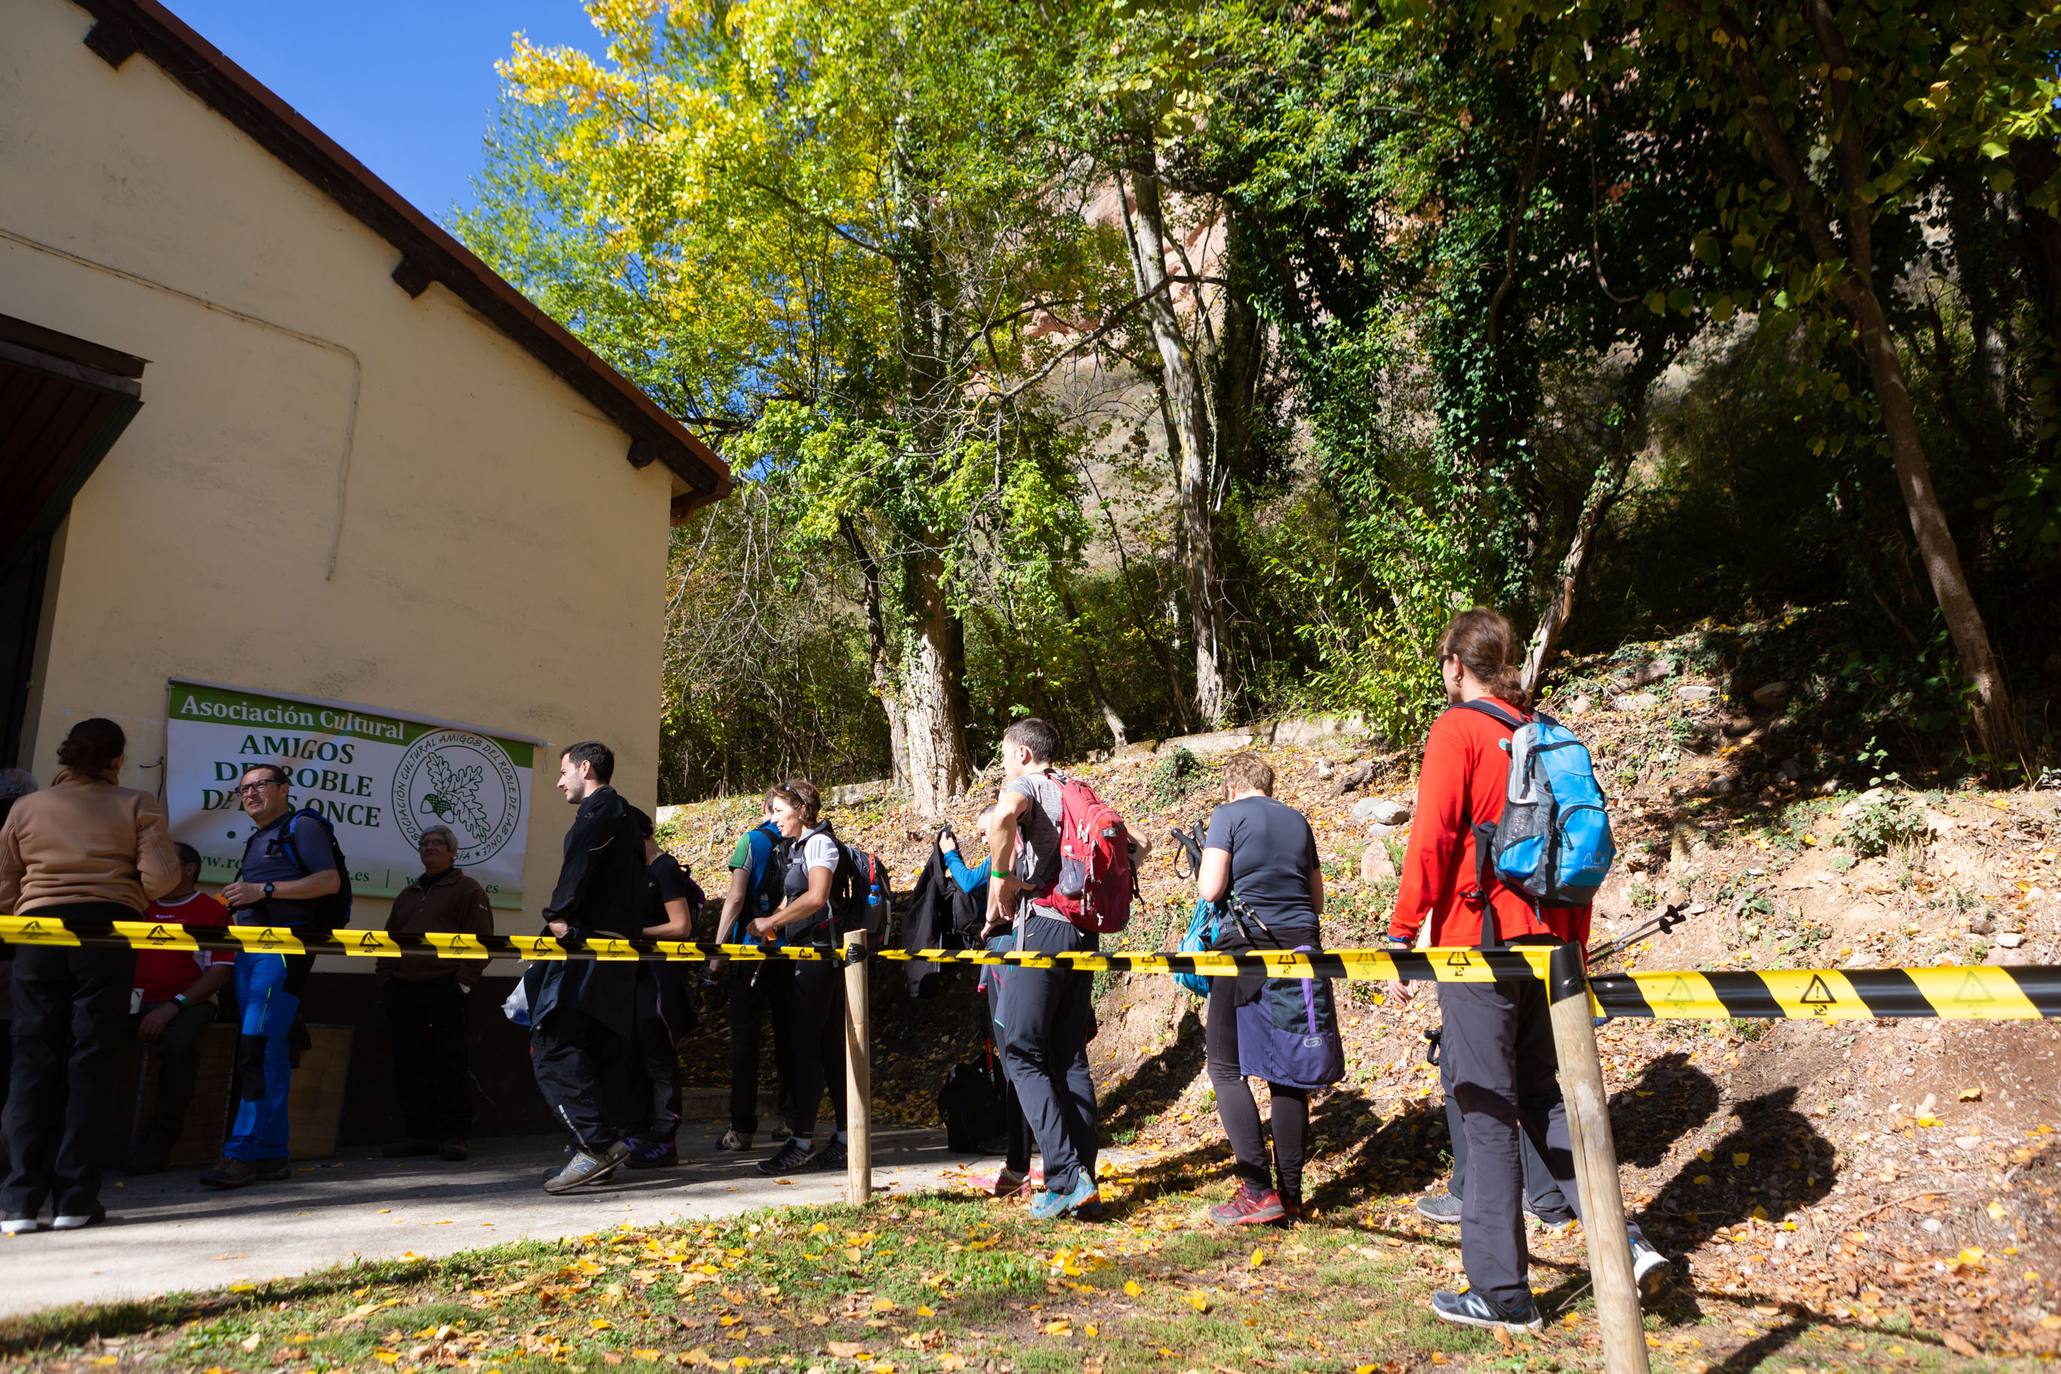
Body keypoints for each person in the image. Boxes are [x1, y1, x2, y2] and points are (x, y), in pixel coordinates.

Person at [1385, 608, 1668, 1333]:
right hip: (1549, 946)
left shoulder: (1459, 730)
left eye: (1443, 664)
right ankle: (1625, 1244)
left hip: (1476, 944)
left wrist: (1400, 928)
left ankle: (1502, 1295)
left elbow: (1433, 837)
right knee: (1546, 1099)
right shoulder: (1537, 730)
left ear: (1454, 662)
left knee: (1482, 1108)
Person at [0, 718, 179, 1232]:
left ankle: (16, 1202)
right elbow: (164, 880)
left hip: (37, 933)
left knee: (33, 1057)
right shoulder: (137, 803)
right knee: (92, 1058)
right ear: (117, 759)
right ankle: (75, 1199)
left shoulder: (25, 807)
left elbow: (4, 888)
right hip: (106, 932)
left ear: (65, 757)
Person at [1195, 752, 1336, 1225]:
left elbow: (1210, 889)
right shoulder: (1298, 821)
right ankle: (1291, 1195)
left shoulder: (1227, 815)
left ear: (1231, 785)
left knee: (1225, 1066)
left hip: (1246, 954)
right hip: (1300, 951)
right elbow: (1316, 899)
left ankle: (1257, 1190)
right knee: (1289, 1071)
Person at [984, 718, 1101, 1221]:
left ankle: (1064, 1177)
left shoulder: (1026, 785)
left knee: (1019, 1050)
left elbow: (1003, 816)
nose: (1004, 765)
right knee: (1068, 1054)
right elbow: (1136, 843)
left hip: (1045, 928)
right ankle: (1085, 1177)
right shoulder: (1079, 788)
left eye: (1006, 754)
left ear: (1025, 754)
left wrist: (1003, 880)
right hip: (1083, 931)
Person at [206, 762, 343, 1189]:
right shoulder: (259, 837)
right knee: (271, 1053)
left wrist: (263, 891)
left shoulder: (303, 826)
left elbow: (329, 881)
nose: (250, 793)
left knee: (256, 1048)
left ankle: (243, 1152)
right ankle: (270, 1154)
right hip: (250, 952)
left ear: (284, 790)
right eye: (244, 788)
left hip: (281, 953)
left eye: (260, 785)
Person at [526, 740, 648, 1194]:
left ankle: (595, 1146)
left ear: (584, 768)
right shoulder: (629, 819)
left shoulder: (598, 814)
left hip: (586, 947)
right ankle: (602, 1145)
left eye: (563, 772)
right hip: (613, 951)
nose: (559, 782)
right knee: (594, 1048)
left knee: (551, 1043)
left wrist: (558, 919)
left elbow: (577, 868)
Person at [747, 779, 849, 1176]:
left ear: (801, 808)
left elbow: (817, 896)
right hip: (803, 955)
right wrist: (771, 928)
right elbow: (795, 899)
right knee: (822, 1049)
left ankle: (802, 1141)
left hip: (821, 958)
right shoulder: (795, 849)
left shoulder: (820, 843)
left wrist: (773, 919)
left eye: (777, 811)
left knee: (807, 1048)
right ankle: (842, 1138)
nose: (772, 819)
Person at [379, 826, 493, 1163]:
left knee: (449, 1063)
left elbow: (481, 942)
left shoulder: (468, 890)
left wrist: (462, 983)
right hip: (402, 989)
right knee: (408, 1064)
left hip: (444, 988)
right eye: (424, 843)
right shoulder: (408, 894)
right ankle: (420, 1136)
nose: (429, 848)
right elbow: (389, 941)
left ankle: (454, 1137)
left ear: (453, 852)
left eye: (437, 844)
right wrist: (385, 979)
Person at [941, 811, 1036, 1197]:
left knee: (1015, 1059)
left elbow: (969, 881)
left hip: (1005, 955)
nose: (985, 839)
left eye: (986, 831)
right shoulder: (1032, 847)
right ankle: (1046, 1157)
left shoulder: (1006, 848)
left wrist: (950, 855)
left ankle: (1020, 1162)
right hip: (1030, 948)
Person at [128, 842, 236, 1174]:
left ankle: (161, 1142)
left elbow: (220, 971)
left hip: (187, 1002)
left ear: (189, 869)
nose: (153, 869)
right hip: (132, 999)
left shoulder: (211, 911)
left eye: (164, 862)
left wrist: (173, 1006)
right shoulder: (138, 906)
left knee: (179, 1047)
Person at [709, 792, 797, 1153]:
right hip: (789, 951)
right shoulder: (798, 842)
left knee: (745, 1040)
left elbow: (734, 899)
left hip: (749, 951)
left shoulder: (751, 841)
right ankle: (792, 1119)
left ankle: (741, 1128)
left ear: (762, 809)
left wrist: (716, 957)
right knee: (789, 1038)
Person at [622, 805, 700, 1169]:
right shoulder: (635, 873)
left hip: (660, 978)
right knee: (635, 1054)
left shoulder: (664, 868)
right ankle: (638, 1132)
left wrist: (635, 935)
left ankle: (665, 1140)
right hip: (634, 976)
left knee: (659, 1057)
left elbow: (680, 926)